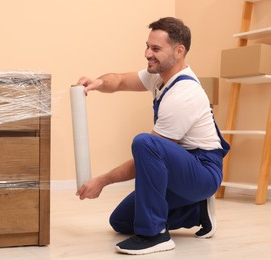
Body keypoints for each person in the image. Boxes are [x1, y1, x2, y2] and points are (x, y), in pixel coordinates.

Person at [76, 17, 230, 255]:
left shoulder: (184, 93)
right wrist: (98, 82)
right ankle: (197, 210)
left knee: (146, 143)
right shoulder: (158, 76)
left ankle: (155, 235)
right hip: (179, 169)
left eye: (156, 49)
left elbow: (149, 156)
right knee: (121, 221)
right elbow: (119, 81)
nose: (148, 53)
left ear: (179, 51)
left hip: (202, 171)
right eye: (147, 46)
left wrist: (102, 181)